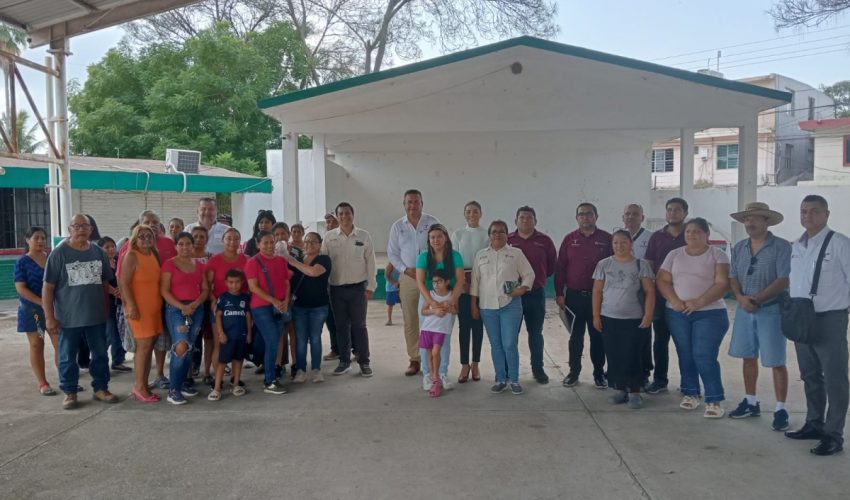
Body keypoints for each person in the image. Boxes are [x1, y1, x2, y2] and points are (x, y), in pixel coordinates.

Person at [784, 195, 850, 456]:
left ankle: (833, 434)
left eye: (814, 211)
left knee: (835, 379)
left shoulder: (840, 244)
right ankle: (814, 423)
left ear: (826, 214)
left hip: (830, 317)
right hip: (803, 317)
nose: (807, 216)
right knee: (810, 375)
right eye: (803, 211)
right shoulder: (797, 246)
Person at [726, 202, 792, 431]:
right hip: (745, 309)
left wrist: (758, 299)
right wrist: (741, 298)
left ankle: (781, 408)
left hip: (771, 310)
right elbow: (733, 276)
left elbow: (784, 279)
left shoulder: (781, 247)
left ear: (767, 221)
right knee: (748, 356)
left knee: (776, 360)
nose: (749, 223)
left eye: (754, 219)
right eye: (746, 219)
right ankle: (750, 401)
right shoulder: (740, 247)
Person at [43, 214, 119, 409]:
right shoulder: (59, 254)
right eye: (76, 226)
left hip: (96, 316)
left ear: (91, 229)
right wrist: (49, 317)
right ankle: (70, 391)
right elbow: (48, 288)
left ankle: (101, 388)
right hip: (68, 319)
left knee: (101, 354)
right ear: (70, 229)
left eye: (85, 226)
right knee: (67, 356)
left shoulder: (98, 253)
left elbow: (104, 283)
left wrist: (105, 308)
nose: (81, 230)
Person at [657, 218, 730, 419]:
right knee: (685, 353)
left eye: (697, 231)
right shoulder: (675, 255)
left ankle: (714, 399)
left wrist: (700, 302)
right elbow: (663, 280)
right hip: (678, 313)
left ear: (707, 234)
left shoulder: (718, 255)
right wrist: (675, 301)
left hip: (710, 313)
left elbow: (722, 283)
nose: (692, 235)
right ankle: (691, 393)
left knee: (703, 354)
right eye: (688, 231)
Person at [592, 230, 656, 409]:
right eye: (616, 243)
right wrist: (596, 316)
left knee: (633, 354)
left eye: (623, 242)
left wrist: (648, 314)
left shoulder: (640, 265)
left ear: (631, 244)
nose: (619, 246)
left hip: (634, 318)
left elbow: (650, 291)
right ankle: (620, 388)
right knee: (614, 354)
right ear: (612, 245)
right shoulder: (603, 265)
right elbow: (597, 291)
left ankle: (635, 391)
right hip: (609, 317)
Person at [471, 220, 535, 395]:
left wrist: (522, 289)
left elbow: (529, 274)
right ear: (489, 235)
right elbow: (475, 282)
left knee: (509, 344)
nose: (497, 235)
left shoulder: (516, 253)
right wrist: (474, 306)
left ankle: (513, 379)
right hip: (487, 307)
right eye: (494, 232)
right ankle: (500, 379)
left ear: (507, 234)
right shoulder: (481, 255)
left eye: (501, 232)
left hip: (510, 305)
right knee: (496, 345)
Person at [555, 202, 613, 389]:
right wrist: (559, 293)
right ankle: (574, 372)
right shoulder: (569, 240)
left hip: (600, 298)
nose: (585, 217)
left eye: (589, 214)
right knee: (576, 337)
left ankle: (598, 374)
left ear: (596, 216)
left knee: (598, 337)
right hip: (574, 297)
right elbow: (561, 267)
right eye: (581, 214)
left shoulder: (607, 239)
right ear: (576, 218)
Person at [387, 189, 440, 376]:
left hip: (431, 278)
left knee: (432, 318)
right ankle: (415, 359)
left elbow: (442, 246)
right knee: (411, 320)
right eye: (409, 202)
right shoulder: (397, 227)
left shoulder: (433, 222)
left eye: (416, 202)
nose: (412, 205)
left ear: (422, 203)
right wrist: (404, 269)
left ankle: (433, 357)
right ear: (404, 205)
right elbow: (392, 254)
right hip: (408, 278)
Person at [322, 202, 377, 377]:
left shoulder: (364, 235)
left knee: (359, 326)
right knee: (341, 327)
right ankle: (344, 361)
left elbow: (371, 262)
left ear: (353, 215)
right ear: (337, 217)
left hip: (358, 289)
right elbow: (323, 263)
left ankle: (364, 362)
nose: (344, 217)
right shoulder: (329, 237)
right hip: (336, 290)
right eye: (341, 214)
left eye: (347, 213)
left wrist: (371, 286)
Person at [643, 197, 689, 394]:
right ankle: (660, 380)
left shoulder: (691, 234)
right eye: (669, 210)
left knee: (685, 342)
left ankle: (689, 382)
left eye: (677, 210)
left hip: (688, 297)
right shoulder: (656, 237)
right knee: (661, 340)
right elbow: (649, 264)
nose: (672, 213)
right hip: (662, 297)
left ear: (685, 213)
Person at [508, 205, 557, 385]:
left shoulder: (545, 241)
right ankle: (509, 370)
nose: (525, 220)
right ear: (516, 221)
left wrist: (539, 280)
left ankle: (538, 369)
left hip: (536, 294)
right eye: (522, 217)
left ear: (535, 221)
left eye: (529, 218)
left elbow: (551, 266)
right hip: (513, 296)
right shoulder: (508, 240)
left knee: (536, 333)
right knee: (510, 335)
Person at [160, 232, 209, 405]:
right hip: (176, 309)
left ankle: (181, 383)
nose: (185, 247)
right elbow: (164, 290)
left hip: (196, 309)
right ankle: (173, 390)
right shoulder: (169, 264)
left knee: (189, 346)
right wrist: (182, 307)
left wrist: (195, 304)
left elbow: (204, 289)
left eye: (188, 243)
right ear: (176, 246)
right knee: (180, 346)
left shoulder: (199, 265)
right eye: (181, 244)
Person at [416, 224, 464, 391]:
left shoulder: (455, 256)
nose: (436, 240)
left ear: (445, 238)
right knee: (426, 341)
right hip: (429, 301)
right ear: (428, 240)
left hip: (448, 302)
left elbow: (460, 281)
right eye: (432, 237)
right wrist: (431, 301)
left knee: (444, 339)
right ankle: (428, 375)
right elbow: (420, 282)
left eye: (439, 236)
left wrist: (451, 301)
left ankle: (442, 373)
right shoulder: (423, 257)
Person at [120, 225, 164, 403]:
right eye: (142, 236)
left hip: (154, 308)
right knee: (143, 348)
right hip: (139, 309)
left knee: (149, 347)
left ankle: (144, 384)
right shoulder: (131, 256)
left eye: (149, 236)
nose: (146, 239)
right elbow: (124, 283)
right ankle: (139, 386)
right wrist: (131, 305)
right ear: (135, 239)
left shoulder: (154, 255)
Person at [245, 230, 291, 395]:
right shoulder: (253, 262)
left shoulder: (280, 261)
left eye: (272, 242)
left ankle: (271, 376)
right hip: (261, 307)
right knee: (272, 340)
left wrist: (285, 301)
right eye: (265, 242)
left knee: (275, 340)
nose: (270, 245)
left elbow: (286, 283)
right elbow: (253, 287)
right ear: (258, 244)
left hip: (279, 307)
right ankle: (269, 381)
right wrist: (274, 301)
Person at [15, 226, 59, 395]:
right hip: (33, 312)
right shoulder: (22, 262)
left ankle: (66, 378)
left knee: (60, 343)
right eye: (36, 238)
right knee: (37, 344)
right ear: (28, 241)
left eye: (43, 238)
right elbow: (21, 288)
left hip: (54, 310)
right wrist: (42, 302)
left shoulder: (51, 258)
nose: (40, 241)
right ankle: (43, 382)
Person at [285, 231, 332, 383]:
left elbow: (313, 272)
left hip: (319, 307)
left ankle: (316, 369)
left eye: (313, 241)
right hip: (299, 307)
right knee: (300, 339)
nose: (309, 244)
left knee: (315, 338)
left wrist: (291, 261)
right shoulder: (298, 259)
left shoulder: (324, 259)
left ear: (320, 244)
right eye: (307, 241)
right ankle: (300, 369)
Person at [451, 201, 489, 383]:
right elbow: (454, 260)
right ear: (464, 214)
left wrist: (480, 282)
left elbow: (489, 258)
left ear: (480, 214)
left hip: (483, 281)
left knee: (477, 325)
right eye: (468, 211)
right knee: (464, 326)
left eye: (475, 211)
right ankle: (464, 364)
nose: (472, 214)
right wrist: (461, 283)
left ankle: (476, 363)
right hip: (463, 282)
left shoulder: (486, 234)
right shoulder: (458, 234)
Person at [206, 227, 249, 381]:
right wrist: (212, 300)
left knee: (239, 343)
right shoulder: (214, 260)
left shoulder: (246, 260)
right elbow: (207, 286)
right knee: (220, 344)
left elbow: (251, 285)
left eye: (236, 238)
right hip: (220, 308)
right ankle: (218, 382)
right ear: (223, 240)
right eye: (229, 238)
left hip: (241, 309)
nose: (232, 242)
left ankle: (236, 379)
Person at [210, 269, 252, 401]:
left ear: (242, 282)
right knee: (222, 362)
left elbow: (248, 316)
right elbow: (218, 316)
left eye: (237, 282)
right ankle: (217, 388)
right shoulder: (223, 298)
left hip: (241, 335)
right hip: (227, 337)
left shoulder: (245, 298)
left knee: (238, 360)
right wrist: (220, 333)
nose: (234, 285)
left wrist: (249, 333)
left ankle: (236, 384)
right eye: (231, 282)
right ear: (226, 283)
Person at [420, 270, 457, 397]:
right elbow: (423, 311)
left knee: (436, 352)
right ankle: (434, 377)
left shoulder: (451, 295)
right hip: (427, 329)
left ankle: (438, 375)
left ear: (447, 282)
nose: (436, 284)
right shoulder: (430, 295)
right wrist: (434, 311)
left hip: (440, 330)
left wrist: (448, 307)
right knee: (430, 354)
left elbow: (455, 311)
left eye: (439, 281)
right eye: (434, 282)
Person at [99, 236, 130, 373]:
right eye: (107, 247)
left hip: (120, 302)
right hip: (107, 303)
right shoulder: (99, 264)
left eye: (112, 246)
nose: (111, 249)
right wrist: (113, 291)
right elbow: (100, 282)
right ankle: (99, 360)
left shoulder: (119, 261)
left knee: (120, 331)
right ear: (101, 249)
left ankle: (118, 360)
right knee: (109, 333)